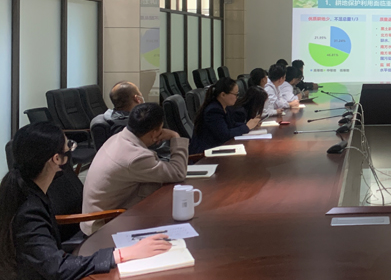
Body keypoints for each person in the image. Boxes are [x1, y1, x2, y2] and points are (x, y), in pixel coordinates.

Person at [0, 123, 172, 280]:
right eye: (69, 146)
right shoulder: (28, 212)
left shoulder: (26, 190)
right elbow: (58, 268)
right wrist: (124, 254)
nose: (71, 150)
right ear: (56, 159)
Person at [81, 103, 189, 235]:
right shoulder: (136, 157)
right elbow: (178, 173)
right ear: (154, 133)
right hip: (104, 224)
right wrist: (175, 137)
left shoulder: (118, 138)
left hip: (107, 212)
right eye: (161, 129)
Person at [189, 77, 261, 154]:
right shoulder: (213, 111)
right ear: (223, 95)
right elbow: (225, 135)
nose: (237, 97)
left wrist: (250, 124)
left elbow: (231, 125)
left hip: (216, 148)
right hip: (204, 153)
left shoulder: (224, 107)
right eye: (235, 94)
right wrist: (246, 127)